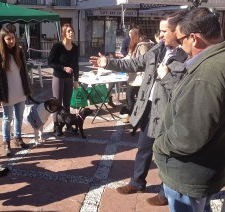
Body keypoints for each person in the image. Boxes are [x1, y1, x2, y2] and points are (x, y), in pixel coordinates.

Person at [89, 11, 188, 206]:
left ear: (177, 31)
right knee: (143, 147)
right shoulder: (157, 50)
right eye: (159, 31)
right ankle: (137, 182)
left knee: (165, 154)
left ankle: (164, 192)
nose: (160, 35)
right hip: (149, 108)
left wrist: (167, 75)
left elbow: (185, 90)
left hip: (168, 112)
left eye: (163, 31)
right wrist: (107, 62)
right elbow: (134, 63)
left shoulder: (186, 56)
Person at [153, 8, 225, 211]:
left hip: (189, 174)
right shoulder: (216, 61)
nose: (179, 45)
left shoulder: (207, 74)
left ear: (193, 38)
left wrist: (159, 145)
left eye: (180, 39)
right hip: (206, 169)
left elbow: (189, 135)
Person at [0, 24, 32, 156]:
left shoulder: (19, 51)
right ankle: (6, 142)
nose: (11, 41)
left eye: (13, 38)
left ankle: (18, 138)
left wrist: (28, 88)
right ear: (3, 39)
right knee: (7, 118)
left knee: (19, 116)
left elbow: (24, 72)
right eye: (8, 39)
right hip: (7, 92)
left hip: (20, 90)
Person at [48, 23, 79, 137]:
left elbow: (76, 64)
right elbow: (50, 62)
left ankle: (67, 125)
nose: (71, 33)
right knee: (57, 103)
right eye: (68, 31)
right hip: (58, 78)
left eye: (72, 31)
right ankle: (56, 126)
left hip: (69, 79)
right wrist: (63, 68)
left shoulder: (75, 48)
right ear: (64, 34)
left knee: (67, 103)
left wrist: (76, 79)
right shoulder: (57, 46)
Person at [122, 26, 154, 123]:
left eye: (131, 35)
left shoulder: (143, 45)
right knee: (136, 97)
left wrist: (131, 65)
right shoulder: (147, 43)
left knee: (130, 96)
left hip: (138, 77)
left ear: (136, 35)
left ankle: (133, 116)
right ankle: (134, 115)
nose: (130, 37)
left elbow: (144, 62)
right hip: (138, 77)